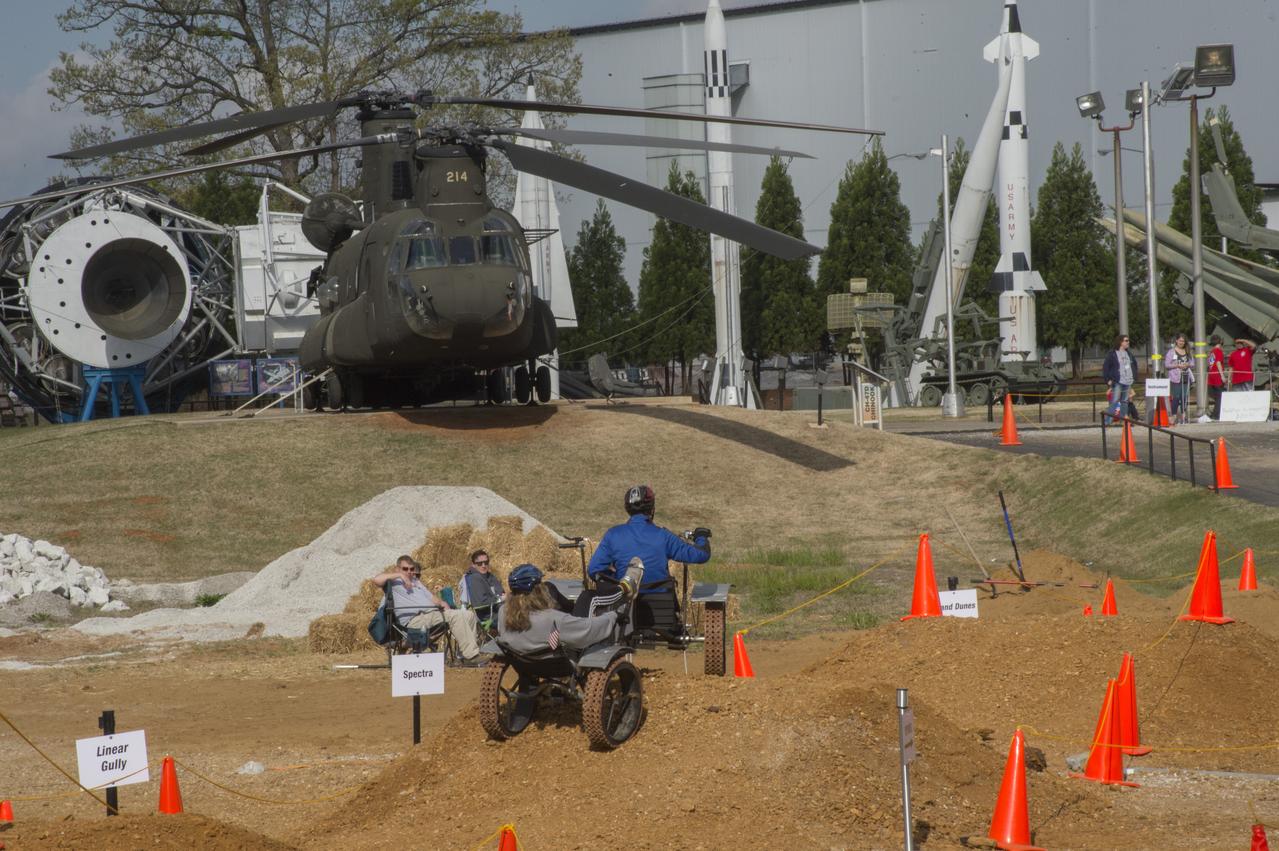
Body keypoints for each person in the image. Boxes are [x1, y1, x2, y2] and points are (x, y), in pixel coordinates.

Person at [574, 484, 710, 618]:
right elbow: (701, 555)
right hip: (661, 611)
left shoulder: (613, 535)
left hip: (623, 609)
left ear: (627, 509)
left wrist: (615, 579)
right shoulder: (663, 536)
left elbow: (594, 570)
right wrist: (701, 537)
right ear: (652, 509)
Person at [497, 563, 640, 656]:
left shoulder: (503, 612)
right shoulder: (552, 618)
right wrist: (613, 615)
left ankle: (574, 607)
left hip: (525, 658)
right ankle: (624, 588)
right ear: (536, 590)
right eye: (540, 583)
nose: (543, 586)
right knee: (588, 596)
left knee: (551, 587)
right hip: (564, 656)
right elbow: (589, 630)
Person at [371, 556, 485, 665]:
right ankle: (472, 656)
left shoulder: (417, 582)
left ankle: (462, 656)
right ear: (397, 569)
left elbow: (431, 598)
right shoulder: (393, 583)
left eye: (411, 569)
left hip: (431, 615)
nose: (409, 572)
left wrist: (442, 603)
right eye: (405, 569)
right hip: (414, 621)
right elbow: (376, 580)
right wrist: (400, 576)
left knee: (468, 615)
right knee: (455, 616)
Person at [1101, 334, 1138, 425]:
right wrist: (1107, 379)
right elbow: (1106, 367)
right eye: (1126, 340)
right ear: (1120, 342)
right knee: (1115, 401)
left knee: (1124, 401)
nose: (1128, 342)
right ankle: (1107, 421)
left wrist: (1134, 376)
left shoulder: (1129, 354)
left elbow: (1134, 365)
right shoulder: (1112, 354)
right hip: (1118, 381)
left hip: (1127, 381)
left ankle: (1124, 420)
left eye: (1128, 340)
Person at [459, 549, 505, 619]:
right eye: (480, 563)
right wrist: (500, 598)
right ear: (473, 565)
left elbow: (501, 591)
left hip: (499, 608)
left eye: (486, 562)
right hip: (489, 615)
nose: (483, 566)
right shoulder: (474, 578)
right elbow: (480, 603)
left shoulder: (490, 576)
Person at [1164, 334, 1193, 425]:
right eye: (1180, 341)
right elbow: (1167, 365)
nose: (1181, 343)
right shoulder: (1171, 352)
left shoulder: (1188, 351)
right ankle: (1173, 416)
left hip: (1185, 377)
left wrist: (1187, 365)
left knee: (1184, 397)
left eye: (1183, 341)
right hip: (1175, 378)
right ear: (1176, 341)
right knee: (1176, 397)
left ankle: (1183, 416)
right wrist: (1177, 365)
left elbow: (1192, 363)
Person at [1207, 334, 1226, 421]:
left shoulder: (1211, 352)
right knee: (1220, 396)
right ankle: (1216, 414)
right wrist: (1222, 376)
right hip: (1217, 376)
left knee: (1217, 396)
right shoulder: (1218, 351)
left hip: (1211, 375)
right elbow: (1218, 363)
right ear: (1220, 341)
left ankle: (1215, 413)